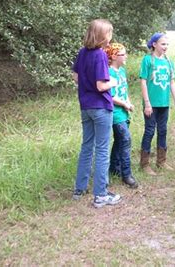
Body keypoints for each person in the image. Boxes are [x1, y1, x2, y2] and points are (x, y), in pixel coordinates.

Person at [72, 19, 122, 208]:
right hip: (101, 107)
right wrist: (113, 82)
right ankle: (101, 194)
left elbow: (76, 76)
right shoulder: (100, 55)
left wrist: (86, 85)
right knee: (102, 149)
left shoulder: (82, 52)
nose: (110, 36)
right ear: (102, 35)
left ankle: (80, 188)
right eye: (109, 33)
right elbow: (101, 86)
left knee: (87, 146)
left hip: (85, 106)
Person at [139, 32, 175, 175]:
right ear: (154, 44)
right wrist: (147, 103)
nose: (166, 47)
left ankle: (161, 161)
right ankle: (144, 164)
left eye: (167, 44)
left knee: (163, 131)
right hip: (151, 104)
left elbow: (171, 82)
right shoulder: (147, 60)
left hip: (164, 104)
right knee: (150, 131)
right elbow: (143, 81)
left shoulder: (169, 62)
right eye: (163, 44)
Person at [104, 43, 138, 189]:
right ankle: (127, 174)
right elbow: (110, 96)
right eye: (123, 54)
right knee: (125, 140)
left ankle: (114, 168)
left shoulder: (122, 71)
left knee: (119, 141)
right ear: (113, 56)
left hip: (124, 112)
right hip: (115, 113)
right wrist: (124, 104)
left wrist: (128, 103)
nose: (126, 57)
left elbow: (124, 91)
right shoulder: (108, 73)